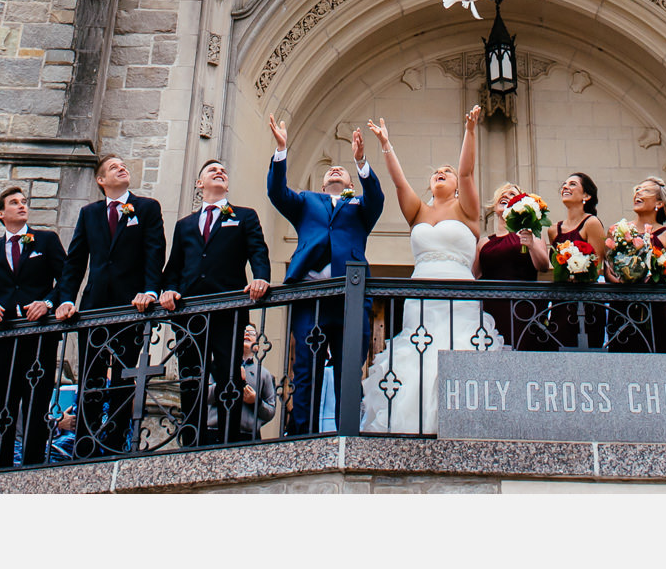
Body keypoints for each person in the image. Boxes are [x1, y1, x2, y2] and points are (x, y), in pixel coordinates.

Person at [361, 107, 501, 432]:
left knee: (458, 350)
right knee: (416, 357)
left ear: (454, 185)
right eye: (436, 171)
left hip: (458, 294)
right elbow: (398, 183)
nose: (441, 173)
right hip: (421, 294)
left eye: (446, 172)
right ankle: (412, 426)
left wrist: (470, 129)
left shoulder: (466, 210)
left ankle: (464, 424)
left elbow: (467, 172)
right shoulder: (418, 212)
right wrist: (386, 144)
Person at [266, 115, 383, 434]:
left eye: (342, 171)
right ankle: (303, 434)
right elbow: (277, 193)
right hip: (311, 297)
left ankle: (350, 433)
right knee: (306, 369)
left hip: (350, 298)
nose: (336, 170)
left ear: (349, 183)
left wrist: (361, 163)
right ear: (321, 184)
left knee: (349, 370)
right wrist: (281, 149)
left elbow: (377, 200)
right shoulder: (307, 202)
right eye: (332, 170)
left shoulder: (359, 205)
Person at [56, 153, 165, 457]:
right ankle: (85, 446)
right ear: (101, 181)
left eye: (123, 165)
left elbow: (155, 253)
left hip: (132, 306)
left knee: (123, 377)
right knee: (90, 377)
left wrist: (150, 292)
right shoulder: (89, 213)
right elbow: (75, 261)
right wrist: (66, 299)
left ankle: (115, 447)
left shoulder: (147, 208)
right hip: (93, 306)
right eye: (114, 167)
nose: (122, 168)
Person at [161, 155, 272, 446]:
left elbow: (258, 251)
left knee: (228, 378)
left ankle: (227, 442)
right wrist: (169, 289)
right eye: (212, 170)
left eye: (223, 170)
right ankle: (191, 443)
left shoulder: (244, 216)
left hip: (228, 310)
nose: (220, 172)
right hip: (190, 314)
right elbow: (174, 267)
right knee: (191, 378)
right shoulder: (185, 225)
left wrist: (261, 277)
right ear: (200, 183)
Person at [0, 185, 67, 470]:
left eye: (24, 201)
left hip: (39, 333)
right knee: (3, 401)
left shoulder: (46, 240)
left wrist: (48, 304)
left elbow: (66, 279)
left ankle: (32, 465)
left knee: (37, 401)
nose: (22, 205)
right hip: (4, 336)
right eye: (14, 202)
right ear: (1, 213)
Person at [606, 178, 666, 355]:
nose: (638, 193)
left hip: (653, 308)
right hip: (622, 305)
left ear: (659, 203)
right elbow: (607, 268)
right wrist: (619, 279)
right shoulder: (618, 230)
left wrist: (653, 277)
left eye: (646, 191)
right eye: (637, 190)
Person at [475, 184, 549, 349]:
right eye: (502, 194)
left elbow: (543, 266)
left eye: (512, 194)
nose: (506, 196)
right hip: (490, 307)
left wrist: (531, 244)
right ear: (494, 206)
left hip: (522, 307)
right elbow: (474, 276)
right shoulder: (484, 243)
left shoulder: (530, 234)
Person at [547, 170, 607, 347]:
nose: (566, 187)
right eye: (564, 184)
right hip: (561, 301)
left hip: (586, 303)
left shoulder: (592, 223)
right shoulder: (553, 230)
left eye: (572, 184)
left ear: (586, 195)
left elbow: (596, 267)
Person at [213, 323, 280, 444]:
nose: (247, 334)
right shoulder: (216, 366)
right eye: (244, 331)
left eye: (252, 333)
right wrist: (225, 385)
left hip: (247, 435)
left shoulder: (264, 375)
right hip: (215, 431)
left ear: (257, 347)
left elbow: (270, 411)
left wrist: (256, 401)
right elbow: (204, 395)